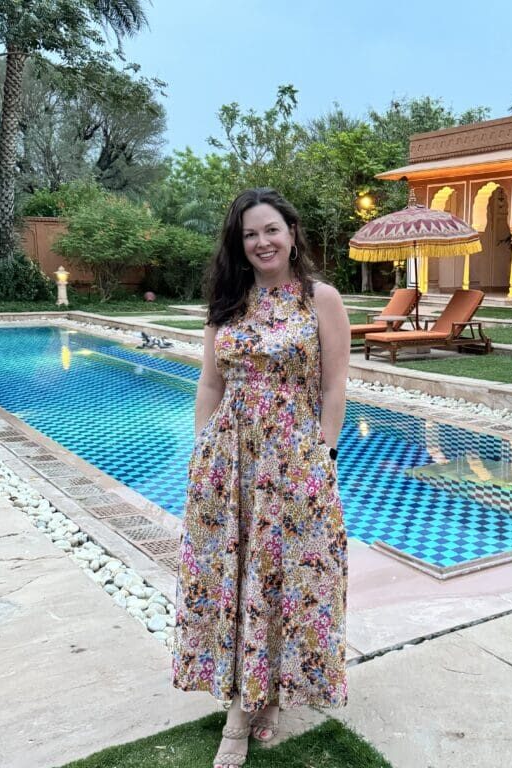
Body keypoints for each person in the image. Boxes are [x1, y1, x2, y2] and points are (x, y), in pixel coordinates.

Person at [172, 188, 350, 768]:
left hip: (292, 459)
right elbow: (209, 383)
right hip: (230, 460)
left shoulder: (320, 300)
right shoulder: (228, 302)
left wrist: (321, 451)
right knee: (236, 573)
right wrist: (204, 448)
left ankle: (257, 701)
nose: (262, 242)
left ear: (292, 233)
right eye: (250, 234)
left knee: (283, 576)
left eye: (271, 229)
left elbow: (333, 386)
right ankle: (247, 701)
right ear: (239, 244)